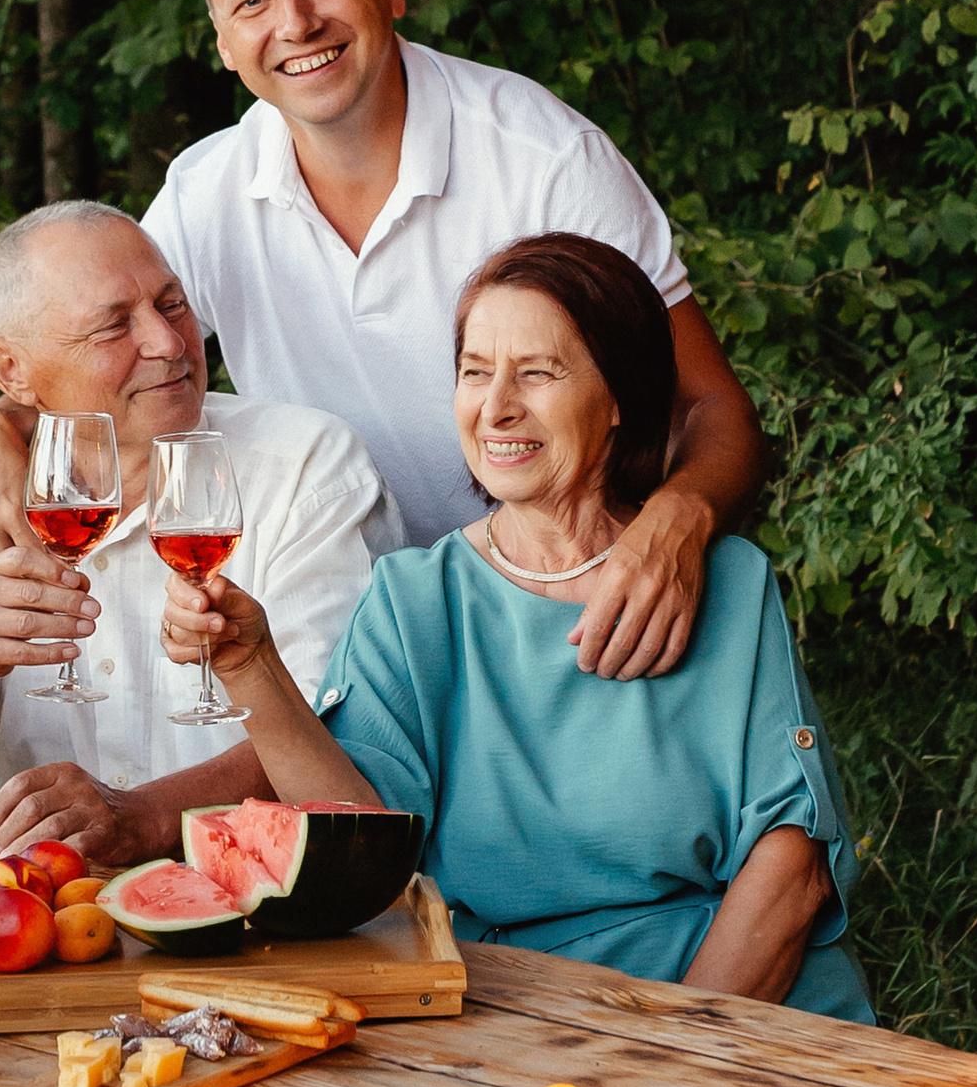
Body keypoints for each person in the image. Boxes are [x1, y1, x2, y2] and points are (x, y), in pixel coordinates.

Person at [0, 0, 769, 682]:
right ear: (222, 42)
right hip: (340, 624)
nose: (298, 23)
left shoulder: (546, 162)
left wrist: (678, 524)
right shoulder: (208, 194)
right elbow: (100, 361)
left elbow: (713, 406)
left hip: (561, 613)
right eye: (253, 2)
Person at [164, 233, 872, 1018]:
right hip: (517, 1013)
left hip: (736, 1006)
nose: (495, 405)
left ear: (620, 401)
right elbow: (363, 841)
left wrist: (679, 1049)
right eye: (475, 372)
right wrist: (249, 665)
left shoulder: (727, 584)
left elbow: (792, 863)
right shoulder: (415, 597)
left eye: (536, 373)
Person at [0, 201, 401, 865]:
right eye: (112, 327)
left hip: (276, 907)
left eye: (173, 304)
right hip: (60, 917)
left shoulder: (304, 466)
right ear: (12, 373)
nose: (167, 342)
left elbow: (335, 738)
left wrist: (149, 817)